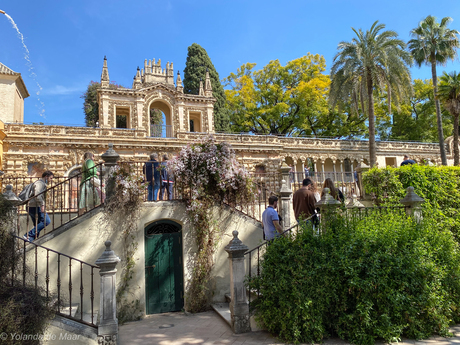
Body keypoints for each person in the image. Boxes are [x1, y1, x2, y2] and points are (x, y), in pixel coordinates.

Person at [23, 170, 54, 242]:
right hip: (35, 206)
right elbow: (38, 195)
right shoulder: (40, 183)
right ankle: (29, 235)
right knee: (46, 221)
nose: (51, 180)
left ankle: (31, 239)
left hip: (31, 206)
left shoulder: (40, 183)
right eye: (51, 178)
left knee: (37, 224)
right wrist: (42, 205)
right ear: (46, 177)